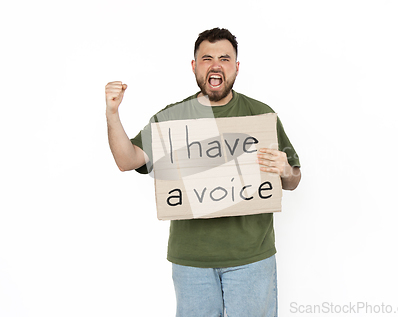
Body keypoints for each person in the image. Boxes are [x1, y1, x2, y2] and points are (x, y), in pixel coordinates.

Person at [105, 28, 301, 316]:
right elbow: (127, 160)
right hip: (191, 261)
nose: (215, 65)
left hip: (251, 259)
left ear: (236, 67)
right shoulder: (171, 119)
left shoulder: (260, 115)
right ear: (195, 66)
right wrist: (112, 114)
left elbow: (293, 180)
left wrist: (285, 169)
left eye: (224, 58)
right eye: (207, 58)